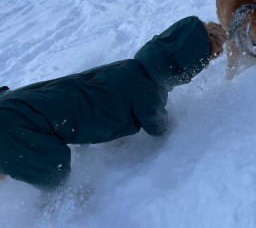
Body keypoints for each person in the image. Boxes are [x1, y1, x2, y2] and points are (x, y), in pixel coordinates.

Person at [0, 16, 226, 191]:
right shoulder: (149, 92)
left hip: (18, 104)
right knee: (55, 177)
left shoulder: (129, 67)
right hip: (10, 125)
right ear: (187, 66)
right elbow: (161, 129)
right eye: (204, 62)